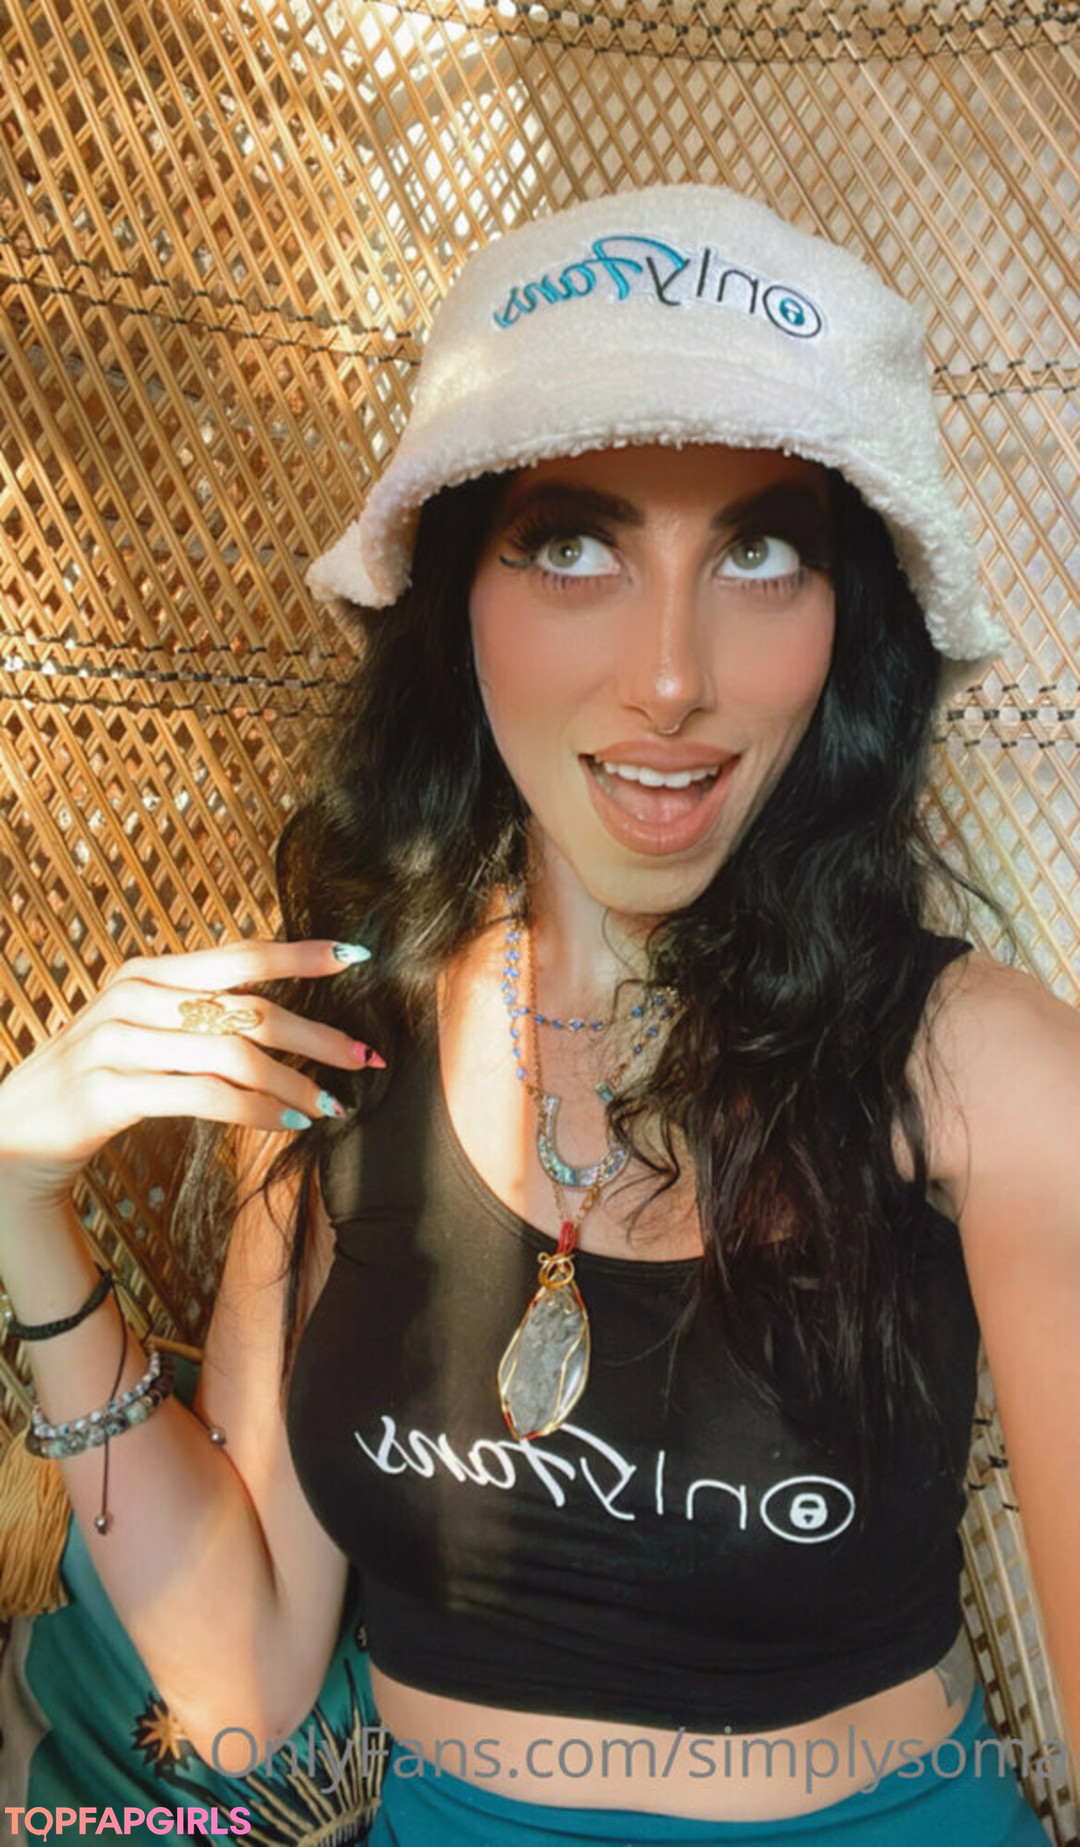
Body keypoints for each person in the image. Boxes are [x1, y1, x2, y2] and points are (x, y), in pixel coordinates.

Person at [0, 184, 1074, 1846]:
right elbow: (235, 1689)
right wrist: (22, 1211)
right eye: (573, 545)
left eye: (760, 551)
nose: (671, 677)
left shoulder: (984, 1074)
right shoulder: (347, 1039)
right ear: (455, 599)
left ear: (846, 618)